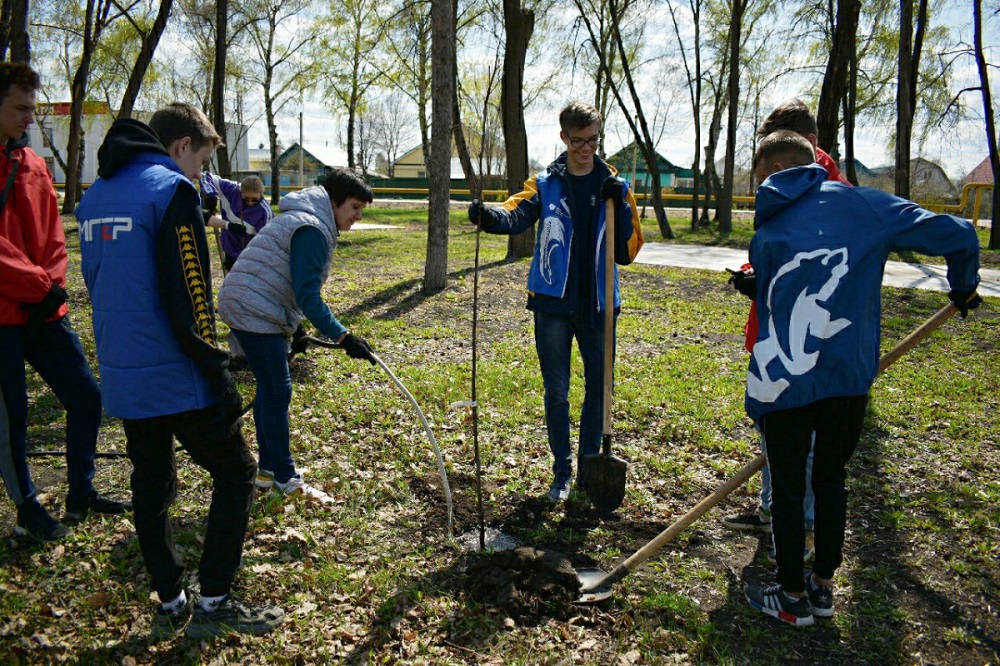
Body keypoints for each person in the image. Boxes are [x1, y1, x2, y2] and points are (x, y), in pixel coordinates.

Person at [742, 130, 980, 627]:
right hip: (846, 377)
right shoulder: (867, 206)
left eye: (760, 177)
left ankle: (789, 599)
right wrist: (963, 287)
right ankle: (822, 591)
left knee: (787, 490)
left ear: (769, 171)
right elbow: (959, 233)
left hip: (783, 378)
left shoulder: (767, 224)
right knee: (830, 480)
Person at [76, 102, 284, 640]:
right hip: (176, 373)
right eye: (201, 160)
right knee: (237, 473)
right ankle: (214, 601)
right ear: (179, 147)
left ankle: (170, 600)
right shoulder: (171, 191)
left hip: (123, 374)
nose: (201, 174)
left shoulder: (94, 197)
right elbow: (190, 295)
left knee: (152, 486)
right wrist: (217, 373)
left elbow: (99, 285)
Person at [467, 101, 644, 502]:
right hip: (552, 305)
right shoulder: (545, 183)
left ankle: (587, 466)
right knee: (557, 391)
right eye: (578, 141)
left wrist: (622, 207)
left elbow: (627, 253)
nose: (586, 149)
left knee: (599, 391)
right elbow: (515, 215)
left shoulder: (615, 186)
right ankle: (562, 471)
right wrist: (487, 216)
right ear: (564, 137)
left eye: (593, 140)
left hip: (600, 307)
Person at [0, 61, 129, 543]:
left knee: (87, 397)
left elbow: (54, 237)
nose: (28, 119)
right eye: (19, 109)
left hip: (43, 309)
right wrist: (37, 284)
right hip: (5, 314)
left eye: (31, 109)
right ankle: (27, 507)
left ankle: (82, 493)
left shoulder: (33, 165)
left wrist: (51, 284)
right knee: (13, 415)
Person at [722, 99, 850, 561]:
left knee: (806, 442)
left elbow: (830, 272)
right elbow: (775, 255)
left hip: (811, 341)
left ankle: (805, 527)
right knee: (773, 429)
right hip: (773, 332)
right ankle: (773, 511)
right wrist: (752, 274)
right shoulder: (786, 190)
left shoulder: (837, 196)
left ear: (809, 145)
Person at [217, 167, 376, 502]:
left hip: (249, 301)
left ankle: (268, 472)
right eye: (354, 208)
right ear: (334, 202)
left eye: (362, 210)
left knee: (270, 388)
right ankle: (286, 479)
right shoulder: (313, 229)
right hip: (252, 307)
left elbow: (288, 281)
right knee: (277, 390)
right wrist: (344, 337)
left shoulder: (307, 218)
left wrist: (297, 327)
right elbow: (308, 295)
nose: (358, 217)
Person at [201, 173, 272, 271]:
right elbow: (205, 176)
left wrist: (239, 257)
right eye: (246, 199)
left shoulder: (264, 212)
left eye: (255, 200)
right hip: (229, 253)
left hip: (250, 259)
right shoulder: (231, 190)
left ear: (261, 194)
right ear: (240, 192)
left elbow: (264, 244)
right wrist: (210, 194)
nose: (250, 203)